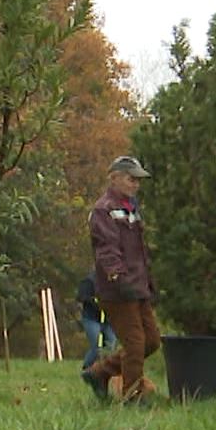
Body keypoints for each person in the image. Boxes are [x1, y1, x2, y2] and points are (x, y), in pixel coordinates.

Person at [83, 155, 160, 403]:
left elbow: (140, 249)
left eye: (138, 180)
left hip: (139, 287)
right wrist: (119, 277)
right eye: (131, 179)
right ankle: (132, 397)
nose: (135, 184)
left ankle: (99, 372)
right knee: (136, 343)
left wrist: (148, 282)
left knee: (151, 341)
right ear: (114, 178)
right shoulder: (103, 210)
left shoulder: (132, 207)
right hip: (117, 290)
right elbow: (107, 250)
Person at [75, 272, 118, 394]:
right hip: (91, 318)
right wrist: (95, 302)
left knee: (111, 345)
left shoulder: (114, 282)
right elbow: (81, 297)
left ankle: (106, 372)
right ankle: (87, 370)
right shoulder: (89, 281)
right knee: (96, 346)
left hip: (109, 320)